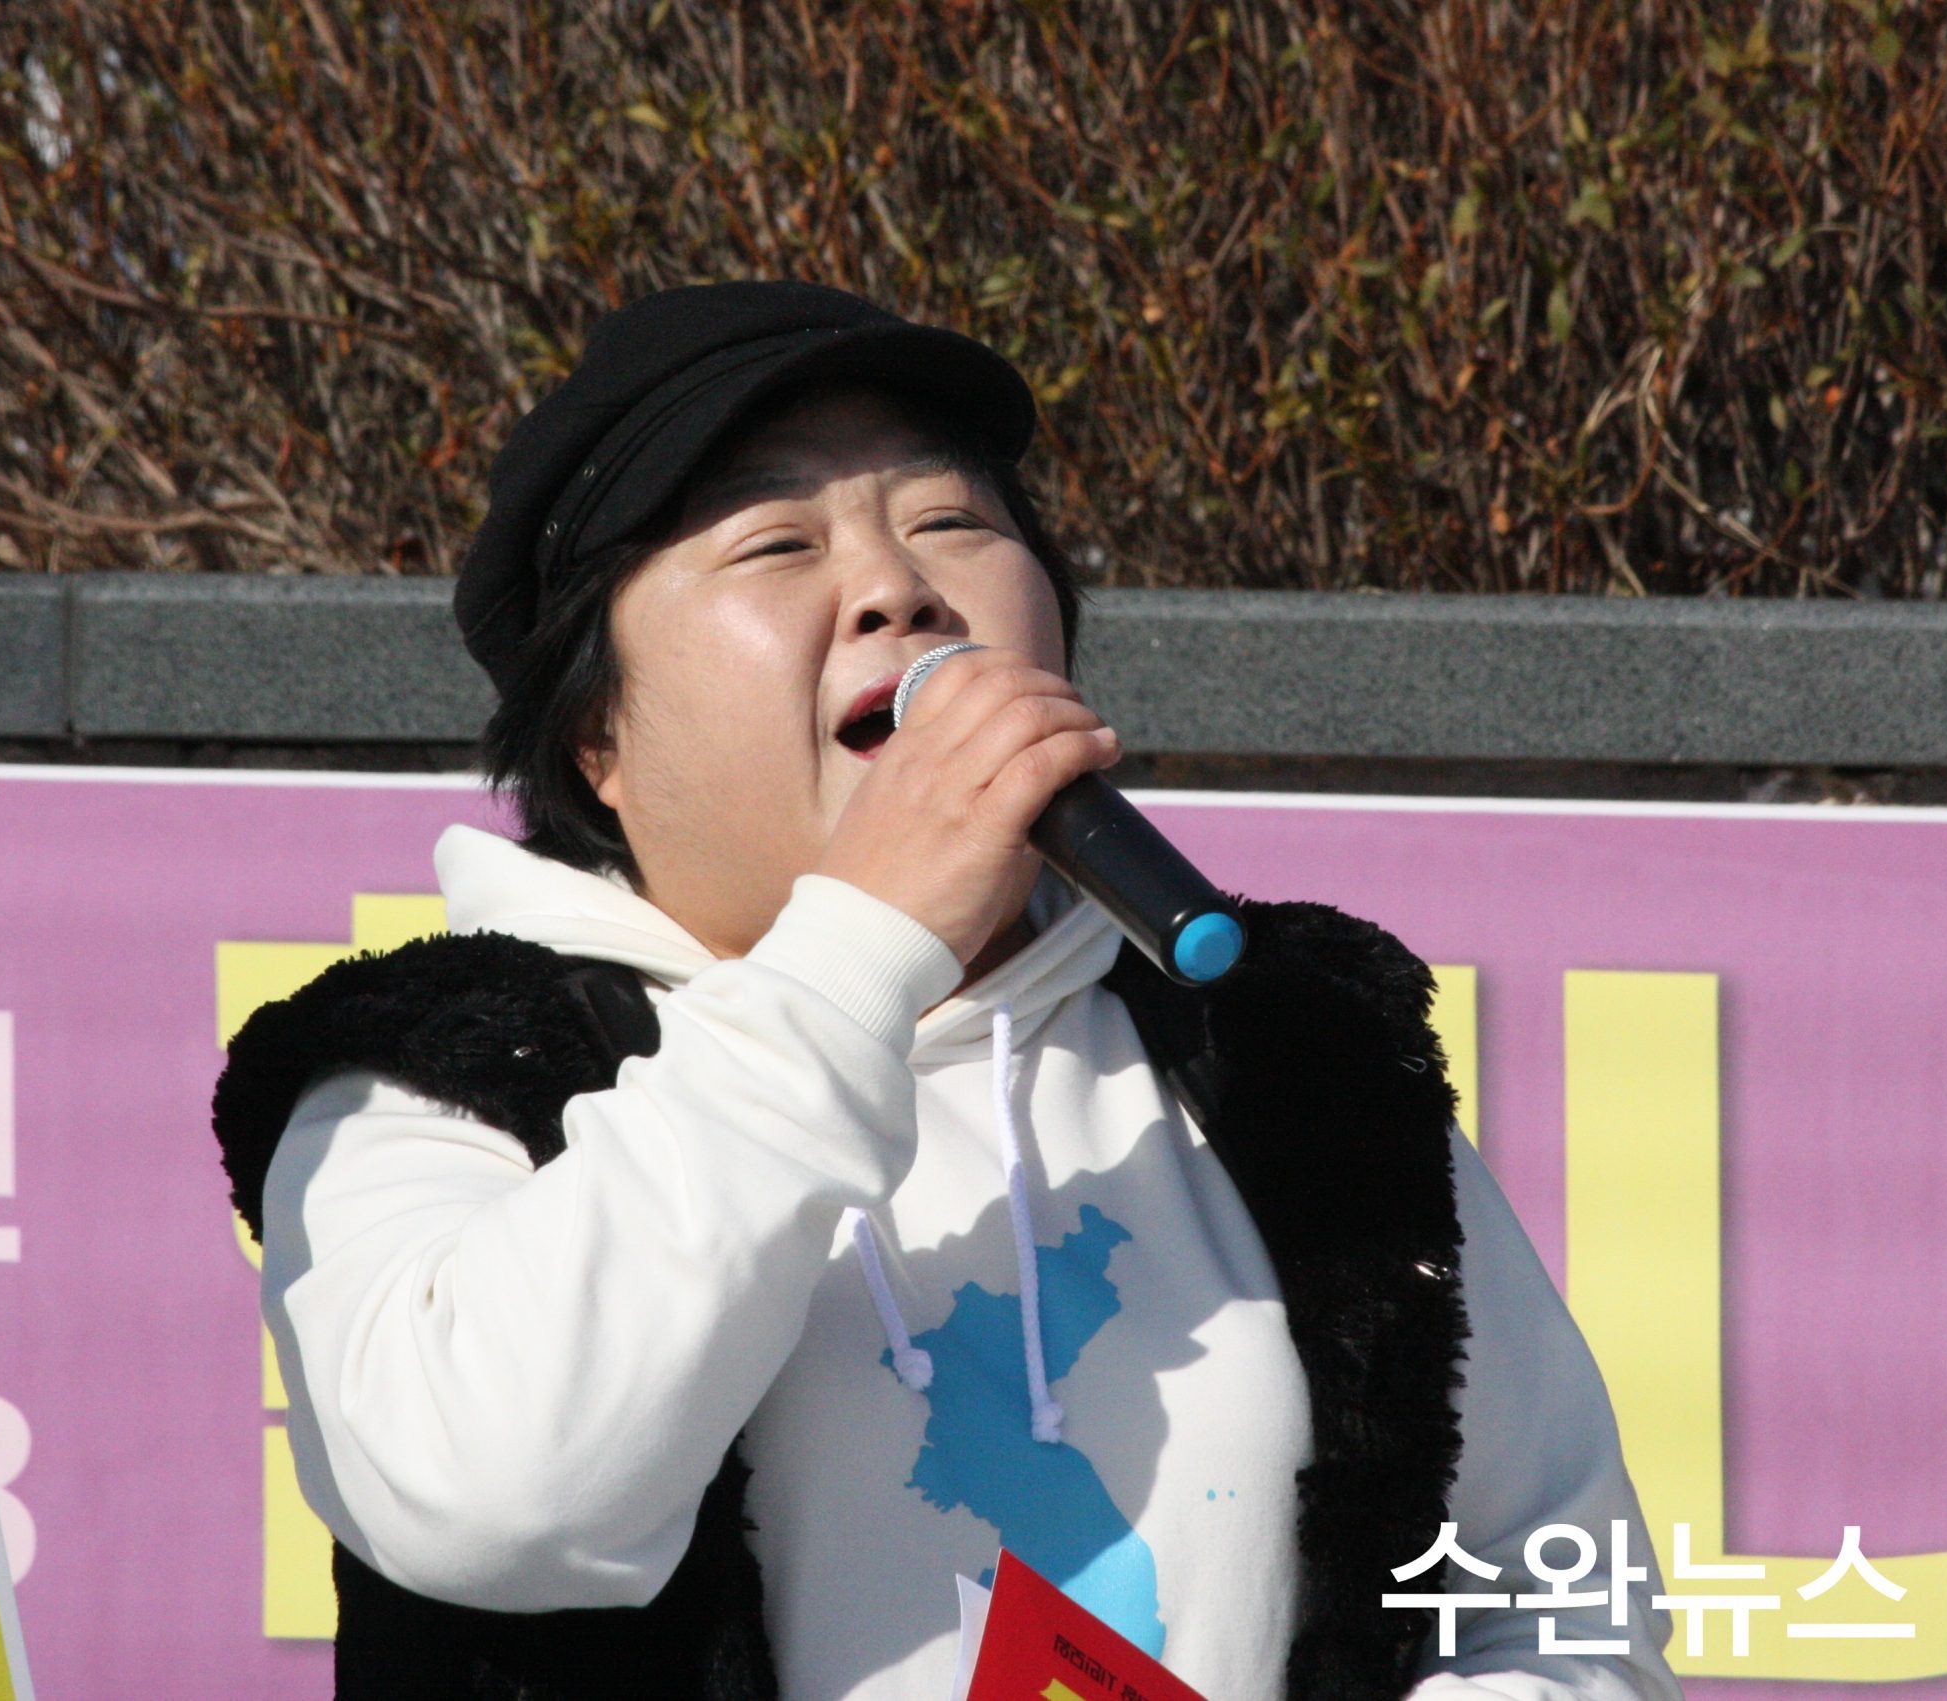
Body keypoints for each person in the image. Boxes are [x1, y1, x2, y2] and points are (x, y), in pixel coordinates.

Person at [215, 281, 1680, 1701]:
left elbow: (1560, 1593)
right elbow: (492, 1501)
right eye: (777, 543)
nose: (895, 588)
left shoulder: (1287, 1052)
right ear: (597, 737)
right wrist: (863, 944)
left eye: (951, 522)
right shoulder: (435, 1082)